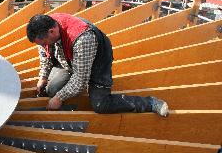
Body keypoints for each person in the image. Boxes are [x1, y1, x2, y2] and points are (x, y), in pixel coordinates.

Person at [26, 13, 169, 116]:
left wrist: (59, 98)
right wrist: (43, 77)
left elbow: (80, 79)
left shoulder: (82, 38)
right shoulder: (45, 26)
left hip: (97, 64)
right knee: (52, 89)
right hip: (70, 60)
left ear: (52, 31)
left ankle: (150, 103)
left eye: (44, 43)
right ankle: (63, 90)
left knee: (101, 105)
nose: (43, 46)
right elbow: (45, 54)